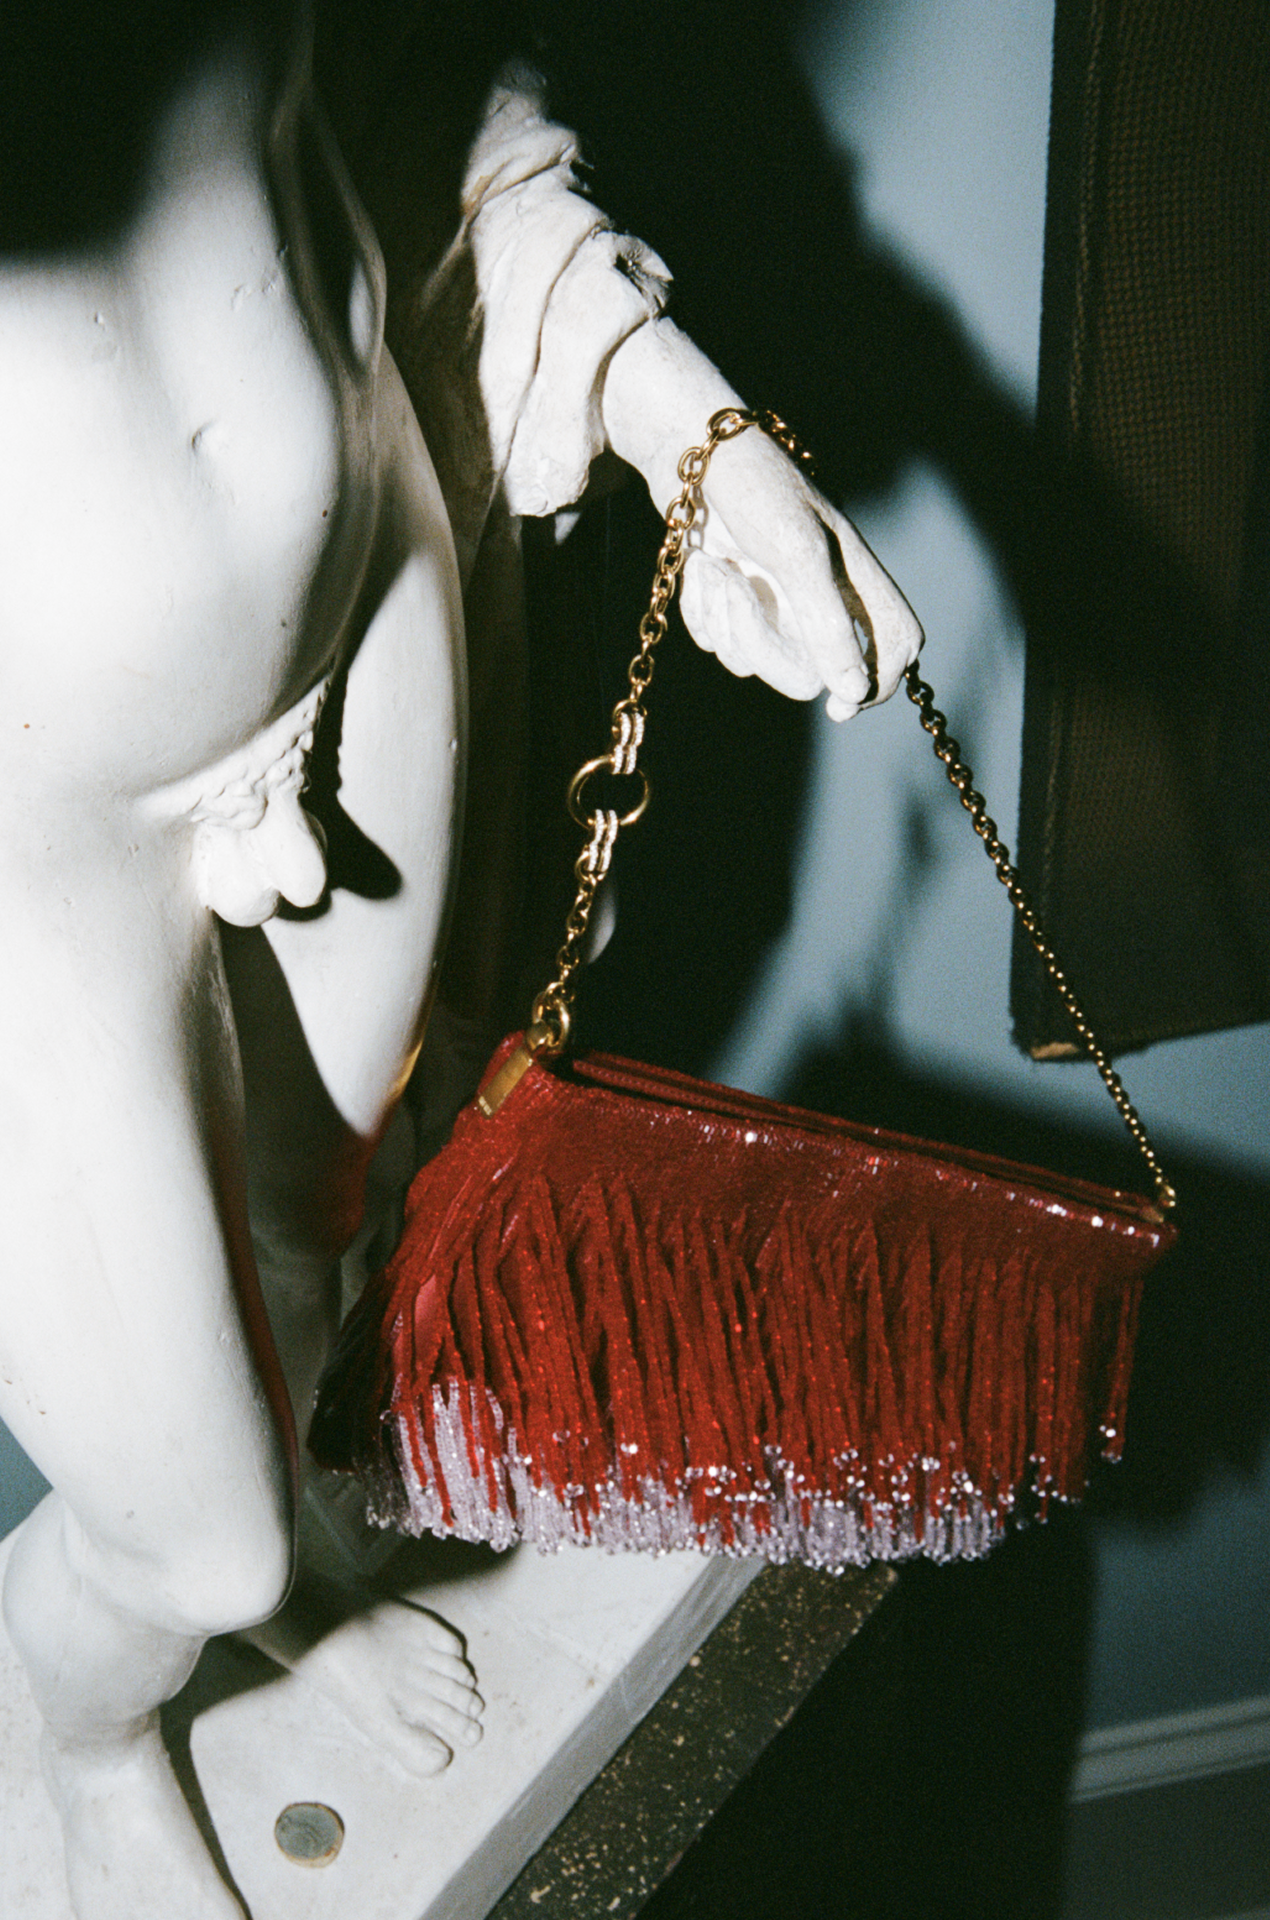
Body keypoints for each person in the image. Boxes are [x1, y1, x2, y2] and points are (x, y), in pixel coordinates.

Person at [0, 6, 921, 1915]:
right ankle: (88, 1744)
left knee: (320, 1212)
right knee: (195, 1546)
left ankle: (302, 1588)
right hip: (38, 842)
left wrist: (677, 416)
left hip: (364, 579)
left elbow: (398, 105)